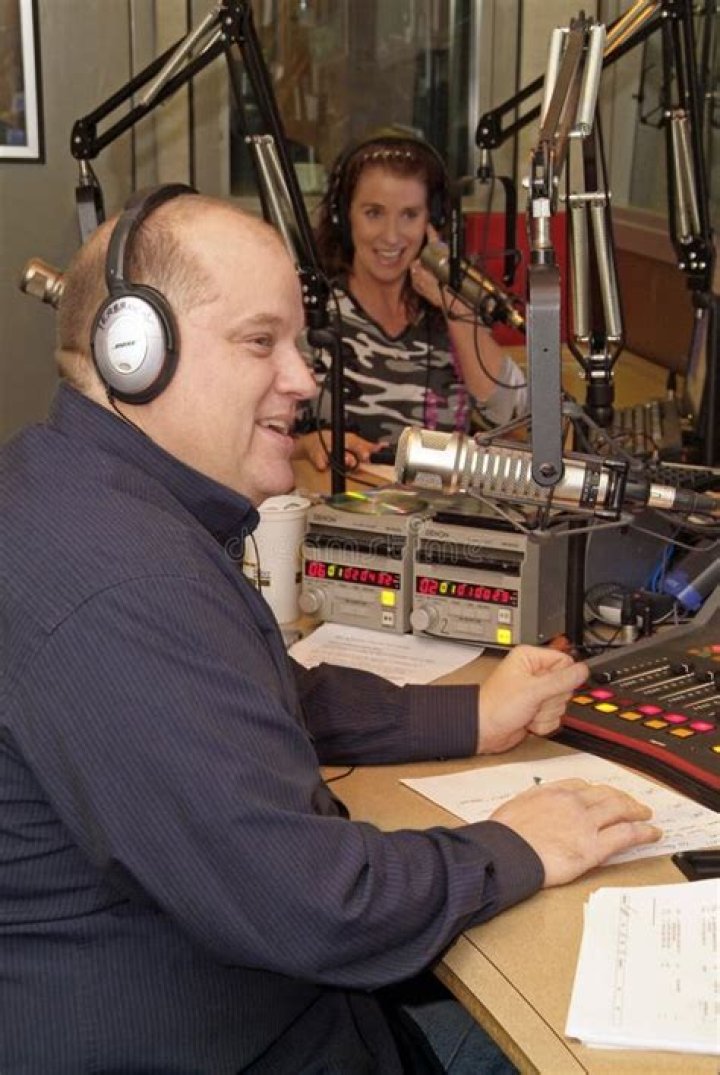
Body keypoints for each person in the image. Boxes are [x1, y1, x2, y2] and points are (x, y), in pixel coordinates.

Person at [0, 187, 661, 1074]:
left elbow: (249, 697)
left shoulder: (67, 490)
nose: (305, 379)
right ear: (136, 352)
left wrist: (470, 715)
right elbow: (318, 905)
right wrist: (518, 845)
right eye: (260, 341)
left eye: (300, 343)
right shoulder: (125, 581)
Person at [293, 129, 528, 472]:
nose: (391, 236)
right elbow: (249, 438)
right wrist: (305, 446)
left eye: (409, 215)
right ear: (343, 216)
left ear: (434, 222)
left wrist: (452, 305)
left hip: (439, 503)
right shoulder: (312, 315)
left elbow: (514, 415)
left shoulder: (452, 313)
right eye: (374, 213)